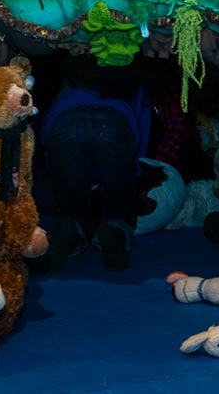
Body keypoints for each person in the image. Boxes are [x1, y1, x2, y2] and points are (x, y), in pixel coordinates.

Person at [38, 56, 150, 272]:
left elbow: (50, 123)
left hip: (66, 121)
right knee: (118, 197)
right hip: (114, 121)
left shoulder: (72, 83)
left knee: (71, 198)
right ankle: (114, 229)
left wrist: (53, 167)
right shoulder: (132, 83)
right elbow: (143, 124)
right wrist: (134, 169)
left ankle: (70, 226)